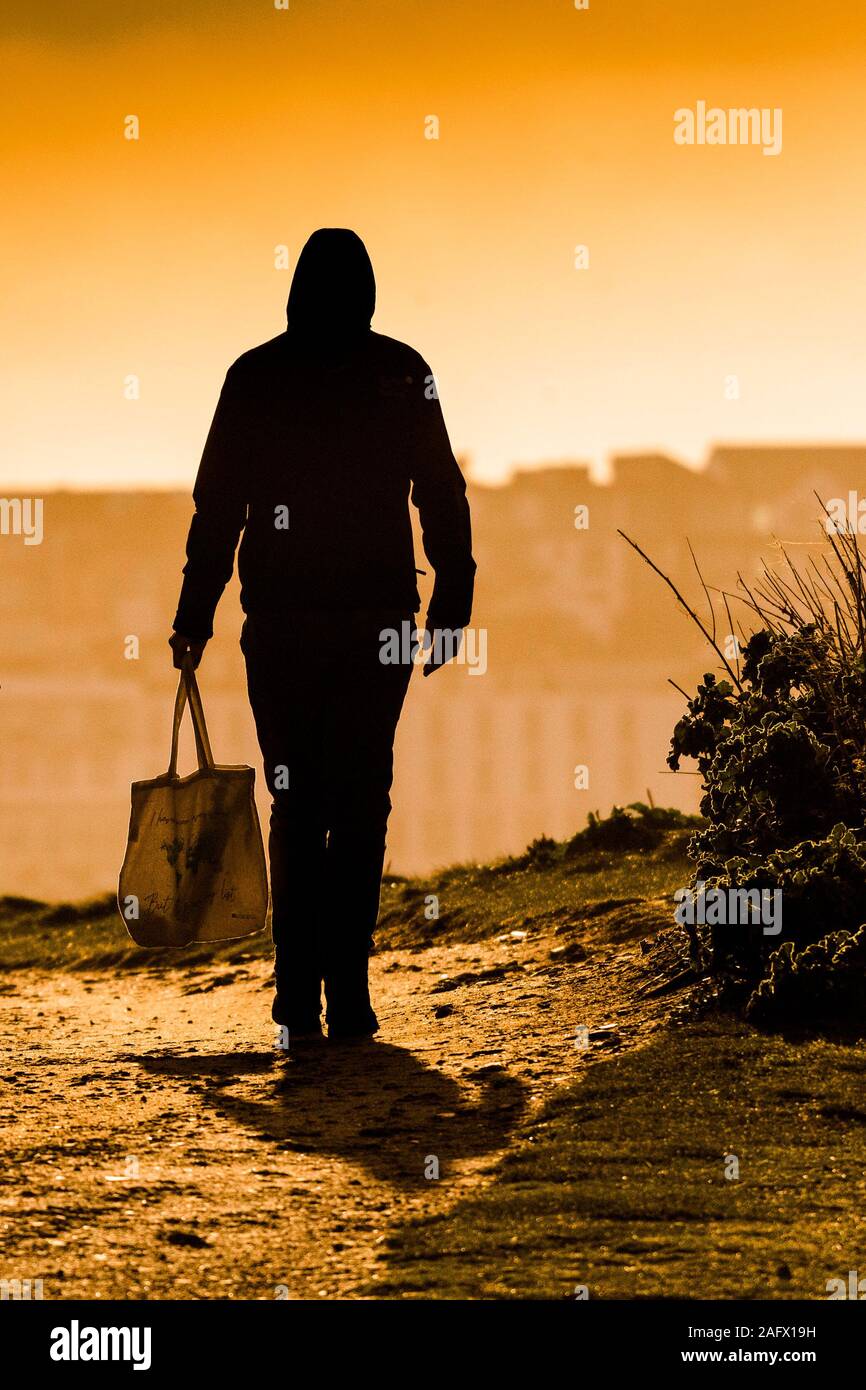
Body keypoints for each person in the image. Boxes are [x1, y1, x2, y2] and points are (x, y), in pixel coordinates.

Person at [169, 228, 476, 1040]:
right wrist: (452, 598)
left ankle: (296, 997)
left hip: (284, 626)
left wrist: (194, 615)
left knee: (297, 805)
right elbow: (441, 492)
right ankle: (351, 994)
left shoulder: (256, 376)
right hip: (377, 626)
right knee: (363, 800)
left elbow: (218, 512)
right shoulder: (401, 370)